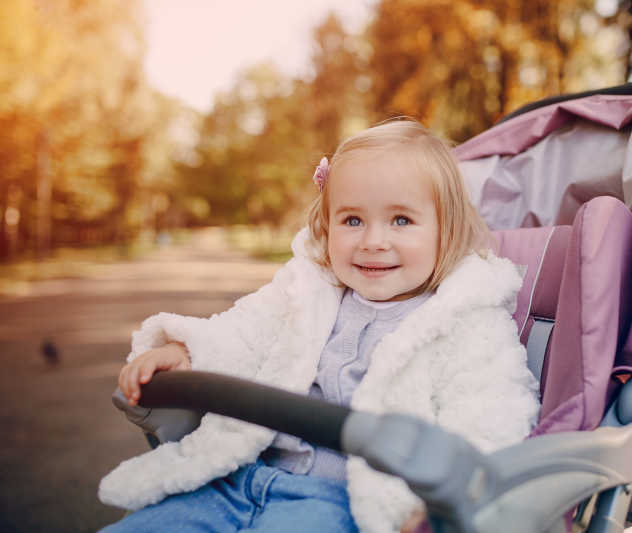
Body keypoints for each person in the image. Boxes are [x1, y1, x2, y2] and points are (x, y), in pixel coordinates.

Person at [99, 119, 540, 533]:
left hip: (344, 504)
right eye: (352, 220)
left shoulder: (465, 318)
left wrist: (439, 502)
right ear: (327, 225)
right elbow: (245, 331)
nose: (373, 241)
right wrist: (185, 352)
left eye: (401, 220)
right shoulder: (308, 289)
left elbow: (490, 414)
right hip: (238, 477)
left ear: (447, 231)